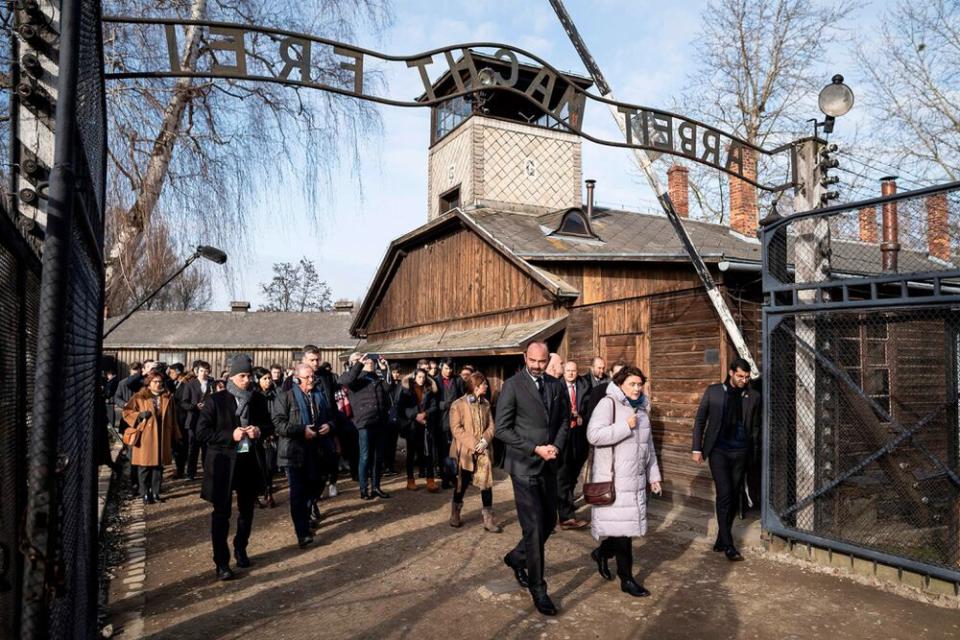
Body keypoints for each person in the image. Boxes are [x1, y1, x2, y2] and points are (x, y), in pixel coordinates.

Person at [496, 341, 570, 617]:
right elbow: (502, 429)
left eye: (542, 361)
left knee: (550, 521)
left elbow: (563, 421)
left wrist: (557, 446)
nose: (538, 366)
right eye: (533, 361)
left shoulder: (555, 384)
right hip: (523, 465)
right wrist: (534, 447)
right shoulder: (512, 386)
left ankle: (516, 558)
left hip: (549, 463)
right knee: (534, 528)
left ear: (548, 358)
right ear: (525, 357)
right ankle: (538, 587)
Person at [586, 366, 662, 598]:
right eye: (632, 384)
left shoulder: (642, 410)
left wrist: (654, 476)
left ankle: (601, 553)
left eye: (640, 384)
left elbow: (648, 447)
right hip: (616, 481)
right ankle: (626, 579)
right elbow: (594, 435)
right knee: (624, 535)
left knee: (625, 531)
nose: (637, 388)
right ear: (620, 384)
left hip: (636, 481)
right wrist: (624, 427)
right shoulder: (608, 404)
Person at [196, 355, 272, 580]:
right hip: (222, 464)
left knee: (247, 511)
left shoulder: (257, 400)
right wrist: (231, 435)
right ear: (232, 376)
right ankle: (221, 562)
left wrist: (259, 431)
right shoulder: (216, 400)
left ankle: (241, 547)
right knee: (221, 513)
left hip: (249, 462)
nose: (247, 380)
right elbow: (202, 431)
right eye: (242, 376)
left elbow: (268, 425)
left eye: (249, 376)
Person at [691, 357, 761, 562]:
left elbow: (755, 428)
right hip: (718, 451)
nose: (744, 380)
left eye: (747, 377)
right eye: (740, 376)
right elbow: (700, 419)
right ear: (731, 373)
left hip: (741, 452)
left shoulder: (753, 396)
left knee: (734, 494)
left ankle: (721, 538)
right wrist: (697, 448)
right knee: (725, 492)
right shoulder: (713, 392)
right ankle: (729, 544)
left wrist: (753, 453)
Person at [274, 363, 334, 548]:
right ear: (297, 378)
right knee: (298, 494)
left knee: (314, 487)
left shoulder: (319, 396)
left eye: (313, 376)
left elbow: (330, 416)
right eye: (307, 377)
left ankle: (306, 517)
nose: (312, 380)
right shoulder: (285, 397)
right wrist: (301, 430)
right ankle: (302, 532)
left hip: (317, 451)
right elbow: (278, 424)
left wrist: (329, 425)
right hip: (294, 452)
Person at [448, 371, 501, 532]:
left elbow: (492, 425)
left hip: (483, 451)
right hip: (466, 452)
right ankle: (455, 511)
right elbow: (456, 429)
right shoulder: (458, 404)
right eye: (484, 383)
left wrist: (485, 440)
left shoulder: (485, 403)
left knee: (486, 483)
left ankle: (488, 519)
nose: (486, 385)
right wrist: (474, 443)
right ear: (476, 385)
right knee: (462, 483)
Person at [122, 371, 180, 504]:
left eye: (160, 382)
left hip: (162, 434)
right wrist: (139, 415)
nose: (159, 384)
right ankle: (145, 493)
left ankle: (155, 492)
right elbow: (127, 412)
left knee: (158, 466)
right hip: (145, 436)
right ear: (149, 383)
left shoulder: (167, 397)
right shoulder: (140, 396)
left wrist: (176, 434)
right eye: (155, 381)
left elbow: (174, 417)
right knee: (144, 466)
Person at [339, 353, 391, 500]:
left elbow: (388, 388)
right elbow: (346, 380)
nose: (368, 361)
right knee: (365, 457)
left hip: (379, 421)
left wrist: (385, 369)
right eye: (363, 359)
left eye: (368, 359)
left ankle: (376, 487)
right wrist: (358, 364)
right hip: (364, 423)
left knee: (378, 457)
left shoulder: (374, 376)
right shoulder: (352, 377)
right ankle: (364, 489)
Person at [558, 359, 591, 529]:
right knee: (562, 475)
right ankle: (566, 516)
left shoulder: (584, 386)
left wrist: (581, 417)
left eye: (574, 371)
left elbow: (589, 409)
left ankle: (566, 505)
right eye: (568, 370)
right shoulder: (556, 386)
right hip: (563, 436)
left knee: (573, 474)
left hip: (579, 435)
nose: (571, 373)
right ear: (563, 372)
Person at [402, 368, 438, 491]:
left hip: (426, 425)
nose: (421, 379)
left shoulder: (430, 389)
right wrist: (415, 415)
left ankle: (430, 480)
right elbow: (403, 408)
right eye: (419, 377)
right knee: (411, 454)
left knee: (429, 453)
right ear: (415, 377)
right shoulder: (407, 390)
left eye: (423, 377)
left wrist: (425, 414)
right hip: (412, 426)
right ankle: (410, 480)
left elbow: (434, 406)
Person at [181, 360, 214, 481]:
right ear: (197, 371)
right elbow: (184, 403)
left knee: (207, 448)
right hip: (193, 420)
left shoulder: (212, 384)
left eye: (206, 371)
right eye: (201, 371)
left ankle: (208, 472)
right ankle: (191, 473)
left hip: (208, 420)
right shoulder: (190, 385)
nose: (203, 373)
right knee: (193, 448)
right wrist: (195, 406)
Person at [435, 359, 465, 489]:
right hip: (441, 420)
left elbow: (463, 397)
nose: (449, 371)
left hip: (456, 420)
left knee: (454, 451)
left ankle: (453, 476)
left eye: (451, 369)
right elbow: (431, 401)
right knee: (443, 451)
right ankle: (444, 477)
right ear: (441, 368)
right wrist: (443, 405)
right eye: (446, 368)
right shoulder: (435, 381)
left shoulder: (458, 380)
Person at [254, 368, 280, 508]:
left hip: (272, 436)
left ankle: (269, 492)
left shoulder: (276, 394)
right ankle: (257, 494)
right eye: (264, 378)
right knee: (258, 467)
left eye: (269, 378)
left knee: (270, 466)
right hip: (257, 436)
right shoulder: (253, 396)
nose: (268, 381)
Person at [582, 360, 626, 427]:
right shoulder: (598, 391)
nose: (620, 376)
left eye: (623, 374)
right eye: (617, 373)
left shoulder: (632, 392)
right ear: (611, 374)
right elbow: (591, 417)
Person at [384, 365, 405, 476]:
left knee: (393, 444)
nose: (396, 374)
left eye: (398, 372)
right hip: (387, 417)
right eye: (394, 372)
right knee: (386, 444)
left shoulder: (401, 384)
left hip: (397, 417)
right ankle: (386, 466)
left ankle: (391, 466)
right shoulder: (387, 385)